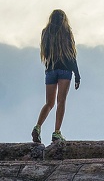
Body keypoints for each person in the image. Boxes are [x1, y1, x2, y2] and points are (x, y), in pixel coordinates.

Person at [31, 9, 81, 144]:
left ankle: (38, 126)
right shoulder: (66, 32)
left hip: (50, 69)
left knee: (49, 102)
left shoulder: (45, 32)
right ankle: (57, 132)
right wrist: (77, 75)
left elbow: (45, 53)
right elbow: (72, 55)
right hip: (65, 69)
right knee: (61, 101)